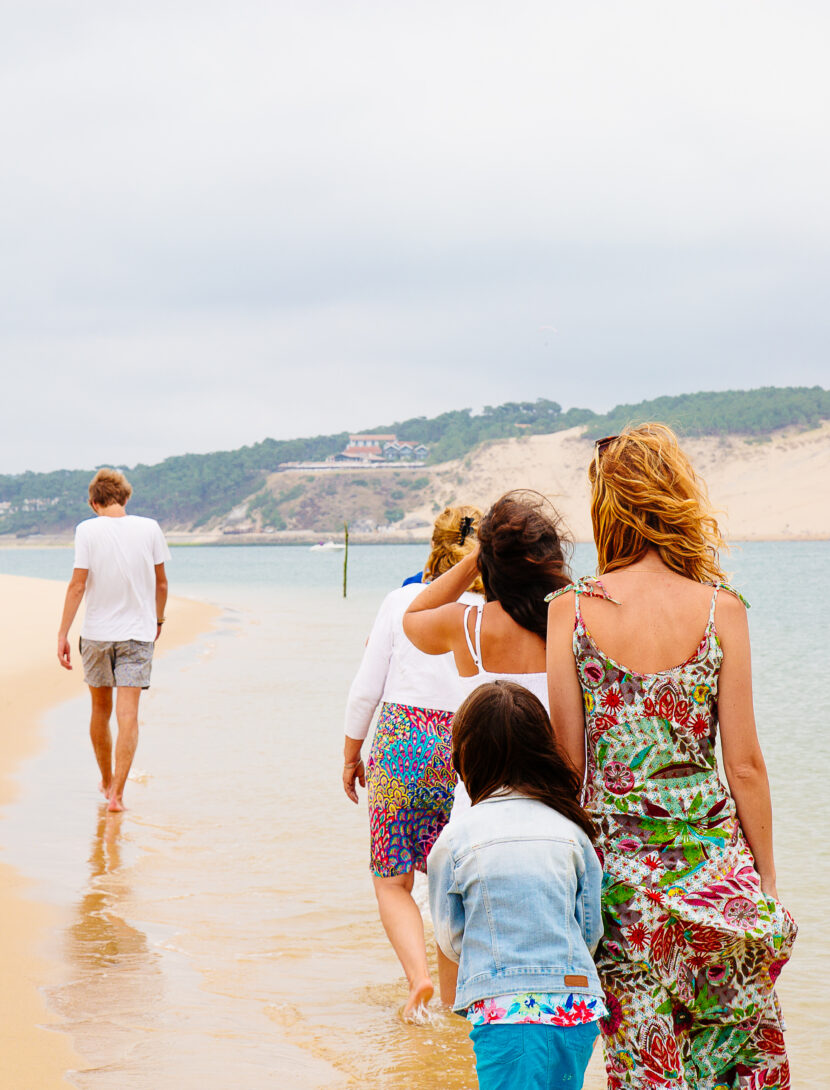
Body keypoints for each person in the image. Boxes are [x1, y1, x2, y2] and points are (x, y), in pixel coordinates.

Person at [545, 424, 796, 1089]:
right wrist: (766, 880)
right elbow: (745, 765)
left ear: (607, 506)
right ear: (675, 496)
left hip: (621, 884)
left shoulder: (570, 610)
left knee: (646, 1065)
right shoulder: (722, 609)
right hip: (716, 875)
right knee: (734, 1060)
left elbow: (568, 767)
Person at [428, 680, 605, 1090]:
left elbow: (450, 937)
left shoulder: (455, 840)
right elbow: (589, 929)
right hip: (577, 1008)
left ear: (466, 759)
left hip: (506, 1013)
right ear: (543, 749)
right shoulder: (571, 830)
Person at [342, 504, 482, 1018]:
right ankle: (455, 998)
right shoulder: (492, 610)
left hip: (403, 742)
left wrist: (350, 753)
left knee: (392, 879)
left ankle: (418, 980)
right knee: (453, 880)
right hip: (468, 746)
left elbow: (366, 688)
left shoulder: (401, 601)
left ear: (434, 546)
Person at [57, 468, 170, 813]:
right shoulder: (150, 528)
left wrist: (62, 633)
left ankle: (106, 780)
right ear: (125, 497)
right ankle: (118, 796)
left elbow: (78, 585)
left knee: (99, 710)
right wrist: (158, 619)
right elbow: (161, 583)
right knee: (128, 715)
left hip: (96, 635)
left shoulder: (86, 530)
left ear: (94, 503)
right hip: (137, 634)